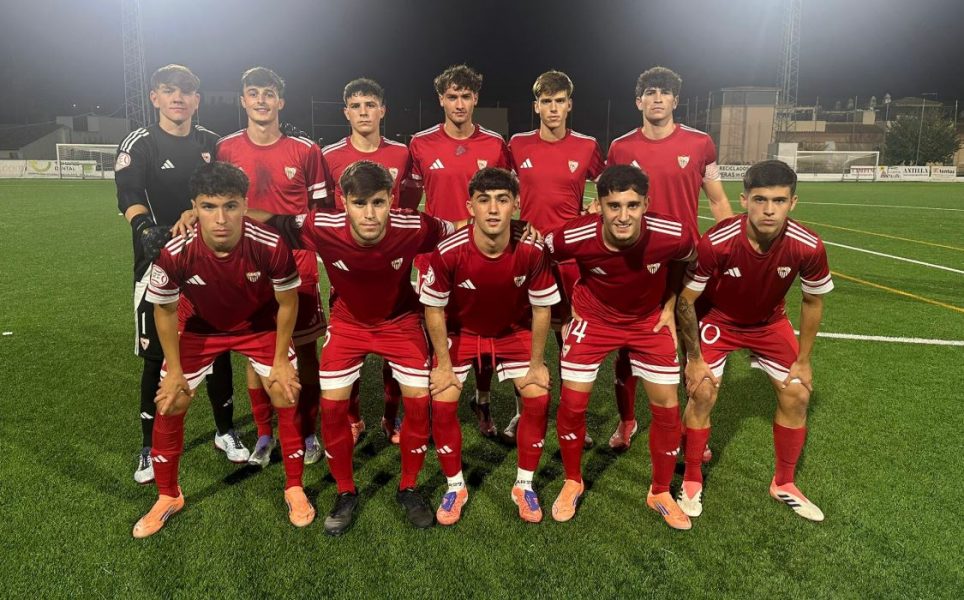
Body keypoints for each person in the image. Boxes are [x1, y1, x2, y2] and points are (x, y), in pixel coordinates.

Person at [261, 160, 463, 535]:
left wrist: (517, 227)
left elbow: (461, 227)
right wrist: (198, 216)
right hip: (348, 323)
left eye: (378, 202)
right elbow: (269, 221)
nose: (370, 214)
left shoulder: (414, 226)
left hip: (400, 321)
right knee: (332, 408)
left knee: (419, 403)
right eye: (359, 203)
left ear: (391, 200)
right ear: (343, 202)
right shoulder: (320, 225)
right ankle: (345, 491)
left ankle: (409, 487)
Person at [132, 161, 312, 538]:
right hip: (199, 328)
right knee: (171, 400)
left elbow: (287, 303)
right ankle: (168, 496)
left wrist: (281, 360)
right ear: (194, 208)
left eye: (230, 206)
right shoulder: (175, 250)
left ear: (244, 205)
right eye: (209, 206)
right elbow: (164, 310)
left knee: (286, 390)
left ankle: (294, 487)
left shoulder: (269, 244)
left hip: (258, 325)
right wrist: (175, 371)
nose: (220, 218)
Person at [674, 160, 832, 522]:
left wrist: (804, 360)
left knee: (798, 394)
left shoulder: (808, 246)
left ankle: (784, 482)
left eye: (779, 200)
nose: (769, 210)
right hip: (718, 319)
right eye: (760, 200)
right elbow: (686, 301)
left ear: (793, 202)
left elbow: (812, 301)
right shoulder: (717, 242)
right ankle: (692, 477)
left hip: (768, 322)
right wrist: (694, 359)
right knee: (702, 391)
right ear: (744, 200)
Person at [545, 164, 695, 530]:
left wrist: (670, 303)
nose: (623, 216)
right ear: (598, 205)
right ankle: (572, 480)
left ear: (646, 204)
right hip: (593, 319)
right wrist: (564, 310)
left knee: (667, 406)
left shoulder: (674, 234)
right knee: (572, 403)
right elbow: (542, 258)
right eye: (614, 206)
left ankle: (660, 491)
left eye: (632, 205)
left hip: (648, 322)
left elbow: (686, 261)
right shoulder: (573, 235)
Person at [115, 64, 246, 485]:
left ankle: (226, 430)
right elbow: (128, 194)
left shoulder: (212, 142)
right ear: (154, 97)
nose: (178, 98)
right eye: (169, 91)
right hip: (158, 264)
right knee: (157, 356)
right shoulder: (140, 143)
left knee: (218, 347)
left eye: (186, 92)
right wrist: (145, 229)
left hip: (212, 264)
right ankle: (148, 446)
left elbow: (231, 187)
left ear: (197, 100)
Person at [420, 168, 559, 525]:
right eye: (484, 200)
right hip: (462, 331)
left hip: (512, 330)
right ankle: (455, 487)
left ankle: (524, 485)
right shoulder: (449, 250)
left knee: (538, 396)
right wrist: (444, 365)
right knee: (443, 399)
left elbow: (542, 308)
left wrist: (537, 363)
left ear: (516, 204)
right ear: (470, 207)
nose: (493, 209)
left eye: (502, 200)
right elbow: (433, 308)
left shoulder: (532, 249)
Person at [605, 66, 733, 452]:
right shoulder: (620, 148)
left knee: (690, 345)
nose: (657, 98)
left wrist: (729, 247)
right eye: (650, 92)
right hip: (637, 262)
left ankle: (690, 426)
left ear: (676, 100)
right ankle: (627, 420)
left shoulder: (700, 143)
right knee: (628, 346)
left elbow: (717, 200)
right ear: (638, 101)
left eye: (664, 92)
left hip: (687, 261)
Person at [214, 67, 327, 467]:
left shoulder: (306, 150)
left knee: (306, 350)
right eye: (253, 92)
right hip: (248, 265)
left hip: (298, 262)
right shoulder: (226, 148)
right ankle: (265, 433)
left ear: (281, 101)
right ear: (243, 100)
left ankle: (308, 432)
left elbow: (319, 212)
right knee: (255, 351)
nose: (261, 100)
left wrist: (281, 223)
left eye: (268, 93)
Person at [409, 64, 512, 435]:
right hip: (436, 257)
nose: (459, 103)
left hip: (485, 256)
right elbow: (409, 203)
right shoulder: (420, 143)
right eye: (452, 96)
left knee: (485, 332)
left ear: (475, 99)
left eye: (465, 96)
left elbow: (508, 197)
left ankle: (482, 401)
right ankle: (431, 402)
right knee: (431, 332)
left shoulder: (495, 144)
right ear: (441, 99)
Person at [507, 69, 604, 443]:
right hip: (527, 253)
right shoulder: (517, 144)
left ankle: (570, 416)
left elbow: (609, 186)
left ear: (569, 105)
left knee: (569, 337)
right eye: (546, 101)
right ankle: (523, 413)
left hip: (569, 258)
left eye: (559, 101)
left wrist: (595, 208)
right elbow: (503, 190)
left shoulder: (587, 146)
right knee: (523, 335)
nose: (552, 108)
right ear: (536, 106)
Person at [321, 77, 414, 443]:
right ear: (346, 112)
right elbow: (322, 210)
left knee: (396, 343)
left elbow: (408, 203)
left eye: (370, 105)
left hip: (393, 265)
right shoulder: (329, 155)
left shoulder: (401, 154)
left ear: (382, 110)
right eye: (356, 106)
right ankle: (353, 418)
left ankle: (391, 417)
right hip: (347, 267)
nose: (363, 112)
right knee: (348, 346)